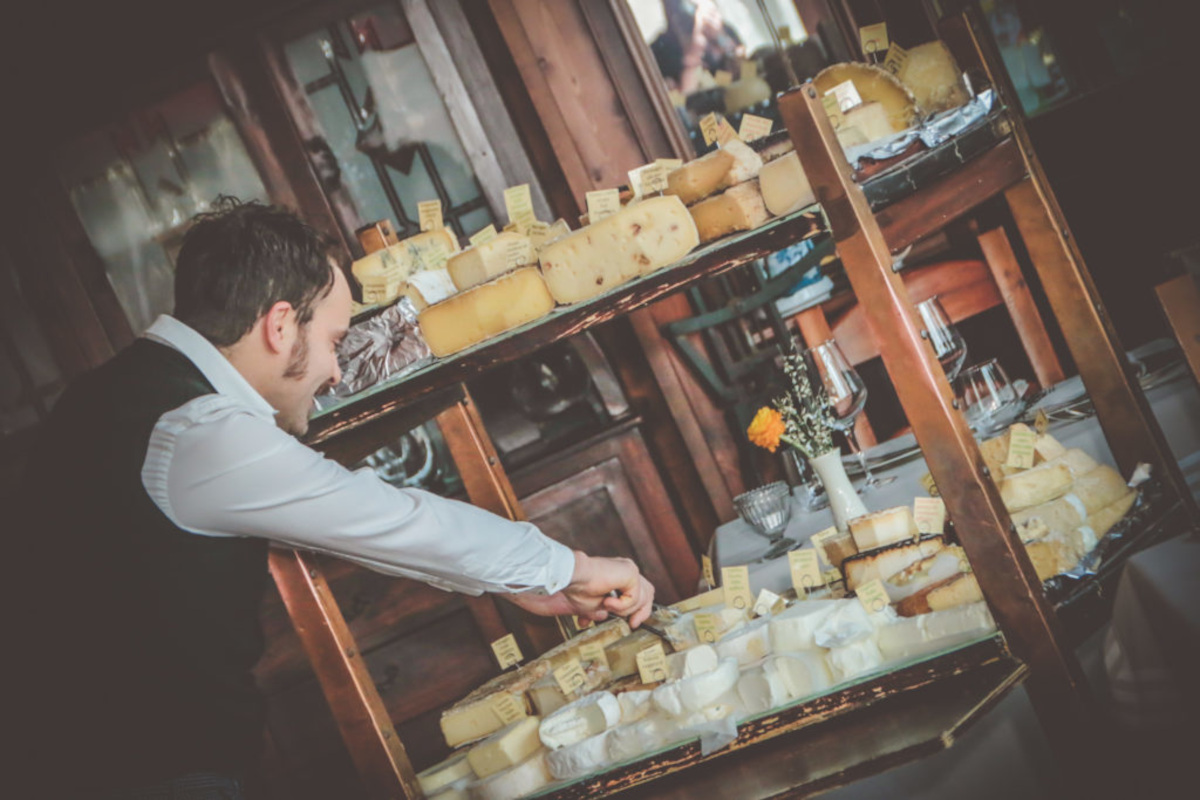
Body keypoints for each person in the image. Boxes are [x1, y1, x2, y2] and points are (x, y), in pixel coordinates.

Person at [14, 200, 654, 798]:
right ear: (280, 325)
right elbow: (389, 520)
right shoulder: (199, 434)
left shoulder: (107, 396)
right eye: (334, 342)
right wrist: (571, 568)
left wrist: (513, 582)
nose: (337, 372)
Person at [651, 0, 744, 95]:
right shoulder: (662, 47)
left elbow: (743, 70)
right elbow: (684, 100)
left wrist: (720, 37)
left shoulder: (724, 33)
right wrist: (695, 50)